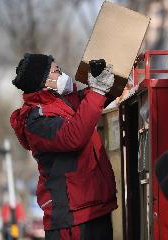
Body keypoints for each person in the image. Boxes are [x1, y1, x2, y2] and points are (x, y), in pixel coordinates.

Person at [10, 53, 117, 240]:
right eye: (56, 71)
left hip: (94, 206)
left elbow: (93, 100)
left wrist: (112, 78)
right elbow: (73, 136)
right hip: (71, 218)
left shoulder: (65, 102)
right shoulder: (35, 121)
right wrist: (98, 91)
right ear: (44, 82)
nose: (62, 73)